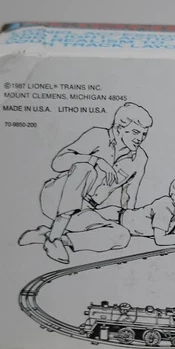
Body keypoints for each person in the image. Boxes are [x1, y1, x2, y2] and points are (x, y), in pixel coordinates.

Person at [19, 103, 153, 263]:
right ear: (119, 128)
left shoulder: (140, 158)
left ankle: (53, 236)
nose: (140, 138)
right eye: (136, 132)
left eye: (144, 134)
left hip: (85, 209)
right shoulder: (97, 135)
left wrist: (129, 221)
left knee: (122, 235)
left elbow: (129, 196)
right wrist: (95, 160)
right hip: (56, 197)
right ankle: (54, 238)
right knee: (85, 168)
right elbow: (58, 163)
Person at [20, 175, 175, 259]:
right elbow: (161, 239)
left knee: (120, 237)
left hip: (114, 221)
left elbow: (174, 238)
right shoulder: (165, 206)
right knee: (118, 235)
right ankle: (47, 234)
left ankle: (51, 235)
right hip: (110, 216)